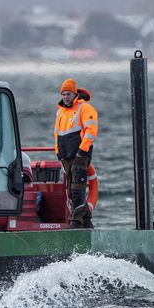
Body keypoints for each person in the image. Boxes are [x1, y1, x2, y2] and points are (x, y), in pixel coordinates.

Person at [53, 78, 99, 228]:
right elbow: (56, 133)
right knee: (70, 189)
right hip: (66, 157)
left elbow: (91, 131)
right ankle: (86, 220)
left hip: (80, 155)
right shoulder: (60, 112)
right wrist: (58, 153)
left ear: (75, 94)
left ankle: (76, 221)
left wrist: (82, 151)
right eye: (63, 94)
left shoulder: (85, 108)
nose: (66, 96)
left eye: (68, 94)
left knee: (77, 188)